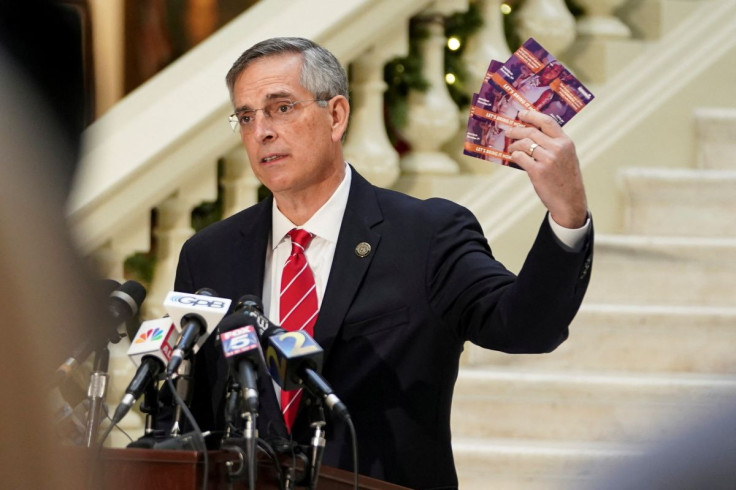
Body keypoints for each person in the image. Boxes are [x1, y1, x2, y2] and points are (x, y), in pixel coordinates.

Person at [173, 37, 593, 489]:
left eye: (280, 108)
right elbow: (196, 424)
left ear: (336, 115)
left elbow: (527, 327)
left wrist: (567, 216)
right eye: (246, 116)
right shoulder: (209, 255)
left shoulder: (427, 234)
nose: (261, 131)